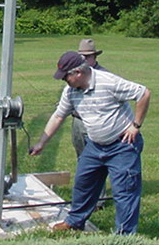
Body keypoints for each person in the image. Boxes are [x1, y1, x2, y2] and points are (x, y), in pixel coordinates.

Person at [30, 51, 151, 235]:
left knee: (125, 191)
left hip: (122, 146)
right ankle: (75, 221)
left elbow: (143, 93)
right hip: (94, 146)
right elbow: (58, 116)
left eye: (66, 77)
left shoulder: (108, 82)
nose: (64, 81)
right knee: (83, 183)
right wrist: (42, 143)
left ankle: (125, 235)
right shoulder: (70, 92)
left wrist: (135, 126)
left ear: (78, 73)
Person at [71, 39, 109, 205]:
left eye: (88, 57)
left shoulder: (103, 76)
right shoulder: (75, 74)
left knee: (98, 162)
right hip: (77, 122)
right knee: (82, 161)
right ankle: (84, 198)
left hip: (95, 124)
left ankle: (98, 201)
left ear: (94, 57)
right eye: (82, 57)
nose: (85, 60)